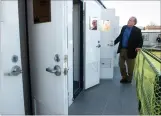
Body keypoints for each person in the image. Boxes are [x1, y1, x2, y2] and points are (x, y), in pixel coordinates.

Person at [114, 16, 143, 84]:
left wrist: (139, 47)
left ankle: (129, 79)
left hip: (131, 51)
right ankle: (124, 77)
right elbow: (120, 36)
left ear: (134, 23)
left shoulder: (137, 30)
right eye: (129, 20)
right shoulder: (124, 27)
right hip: (122, 49)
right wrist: (113, 42)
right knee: (121, 64)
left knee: (130, 67)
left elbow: (140, 40)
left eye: (131, 20)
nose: (129, 21)